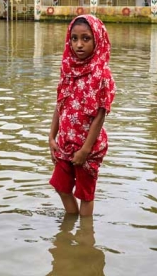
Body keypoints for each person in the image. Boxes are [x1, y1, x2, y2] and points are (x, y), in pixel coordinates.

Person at [48, 14, 116, 217]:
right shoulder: (68, 69)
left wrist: (85, 150)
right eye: (74, 38)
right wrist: (51, 137)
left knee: (85, 195)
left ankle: (85, 235)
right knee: (61, 187)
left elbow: (100, 116)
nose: (79, 44)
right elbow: (60, 104)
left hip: (89, 147)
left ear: (97, 40)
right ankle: (71, 226)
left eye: (86, 38)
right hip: (65, 142)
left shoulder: (101, 74)